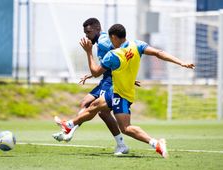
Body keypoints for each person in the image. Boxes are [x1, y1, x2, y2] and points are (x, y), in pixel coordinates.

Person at [54, 24, 195, 158]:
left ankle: (156, 143)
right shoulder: (137, 45)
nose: (110, 42)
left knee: (126, 128)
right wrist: (181, 62)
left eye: (111, 39)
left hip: (121, 95)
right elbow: (159, 53)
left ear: (114, 37)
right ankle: (69, 125)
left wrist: (89, 52)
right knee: (94, 107)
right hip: (115, 90)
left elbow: (96, 72)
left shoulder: (113, 55)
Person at [52, 18, 129, 155]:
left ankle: (121, 144)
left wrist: (127, 75)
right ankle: (69, 131)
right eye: (85, 33)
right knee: (85, 103)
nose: (87, 36)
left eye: (88, 32)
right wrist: (91, 74)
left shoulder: (105, 41)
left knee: (102, 112)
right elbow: (107, 63)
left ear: (97, 29)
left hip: (111, 81)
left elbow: (122, 53)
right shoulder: (101, 41)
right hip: (105, 79)